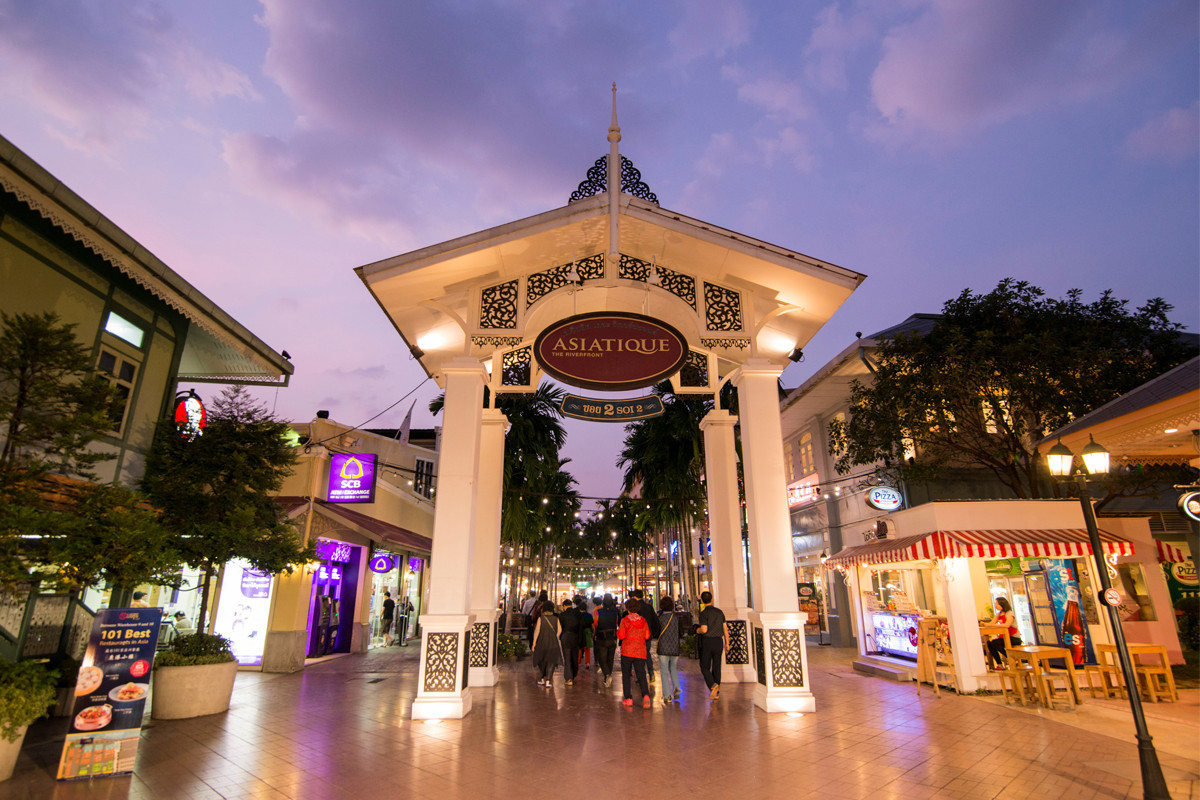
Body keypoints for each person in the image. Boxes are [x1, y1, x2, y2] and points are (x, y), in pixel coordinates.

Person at [617, 597, 652, 707]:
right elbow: (647, 636)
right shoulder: (643, 620)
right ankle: (646, 696)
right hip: (640, 650)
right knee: (641, 674)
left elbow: (621, 635)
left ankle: (628, 698)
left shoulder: (625, 620)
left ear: (627, 609)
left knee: (626, 675)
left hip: (627, 650)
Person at [696, 590, 728, 699]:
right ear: (712, 599)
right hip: (719, 641)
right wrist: (727, 643)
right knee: (716, 667)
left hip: (708, 641)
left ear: (702, 601)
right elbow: (725, 629)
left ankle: (712, 685)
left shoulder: (704, 613)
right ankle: (717, 693)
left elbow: (704, 629)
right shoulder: (719, 612)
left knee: (704, 666)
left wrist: (697, 631)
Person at [630, 589, 661, 687]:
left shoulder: (635, 608)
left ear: (635, 597)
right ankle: (651, 673)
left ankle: (640, 677)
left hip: (637, 636)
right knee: (647, 654)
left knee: (638, 656)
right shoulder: (649, 607)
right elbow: (656, 621)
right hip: (647, 635)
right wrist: (653, 633)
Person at [656, 596, 682, 705]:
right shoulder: (676, 618)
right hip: (674, 646)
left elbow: (656, 633)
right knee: (673, 668)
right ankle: (676, 687)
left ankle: (667, 695)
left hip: (663, 647)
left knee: (664, 671)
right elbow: (680, 633)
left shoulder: (660, 618)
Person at [531, 600, 563, 686]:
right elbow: (560, 630)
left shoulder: (541, 619)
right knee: (551, 661)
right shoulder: (556, 619)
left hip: (542, 642)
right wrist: (554, 636)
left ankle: (542, 678)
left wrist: (534, 643)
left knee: (541, 660)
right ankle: (548, 680)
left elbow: (537, 631)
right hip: (553, 643)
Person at [986, 596, 1022, 668]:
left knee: (995, 643)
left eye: (997, 604)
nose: (995, 605)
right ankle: (999, 664)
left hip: (1014, 638)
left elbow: (1007, 625)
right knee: (990, 644)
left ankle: (1011, 658)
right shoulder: (999, 614)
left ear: (1002, 604)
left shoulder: (1009, 613)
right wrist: (986, 624)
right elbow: (992, 622)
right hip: (1004, 637)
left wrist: (992, 625)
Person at [593, 593, 620, 687]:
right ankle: (608, 676)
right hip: (613, 636)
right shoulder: (616, 611)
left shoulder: (599, 611)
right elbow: (617, 622)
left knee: (602, 658)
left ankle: (607, 675)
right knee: (610, 658)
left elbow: (596, 623)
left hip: (602, 636)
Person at [559, 597, 583, 685]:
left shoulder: (562, 615)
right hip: (575, 637)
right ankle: (574, 673)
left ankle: (569, 678)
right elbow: (581, 627)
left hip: (565, 636)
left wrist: (560, 636)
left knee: (567, 657)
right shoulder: (578, 614)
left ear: (564, 606)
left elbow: (560, 628)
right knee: (574, 656)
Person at [576, 596, 594, 671]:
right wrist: (593, 633)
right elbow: (592, 625)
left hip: (579, 632)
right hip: (587, 632)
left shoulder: (577, 615)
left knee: (579, 648)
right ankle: (587, 663)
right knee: (587, 649)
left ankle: (578, 662)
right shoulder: (589, 615)